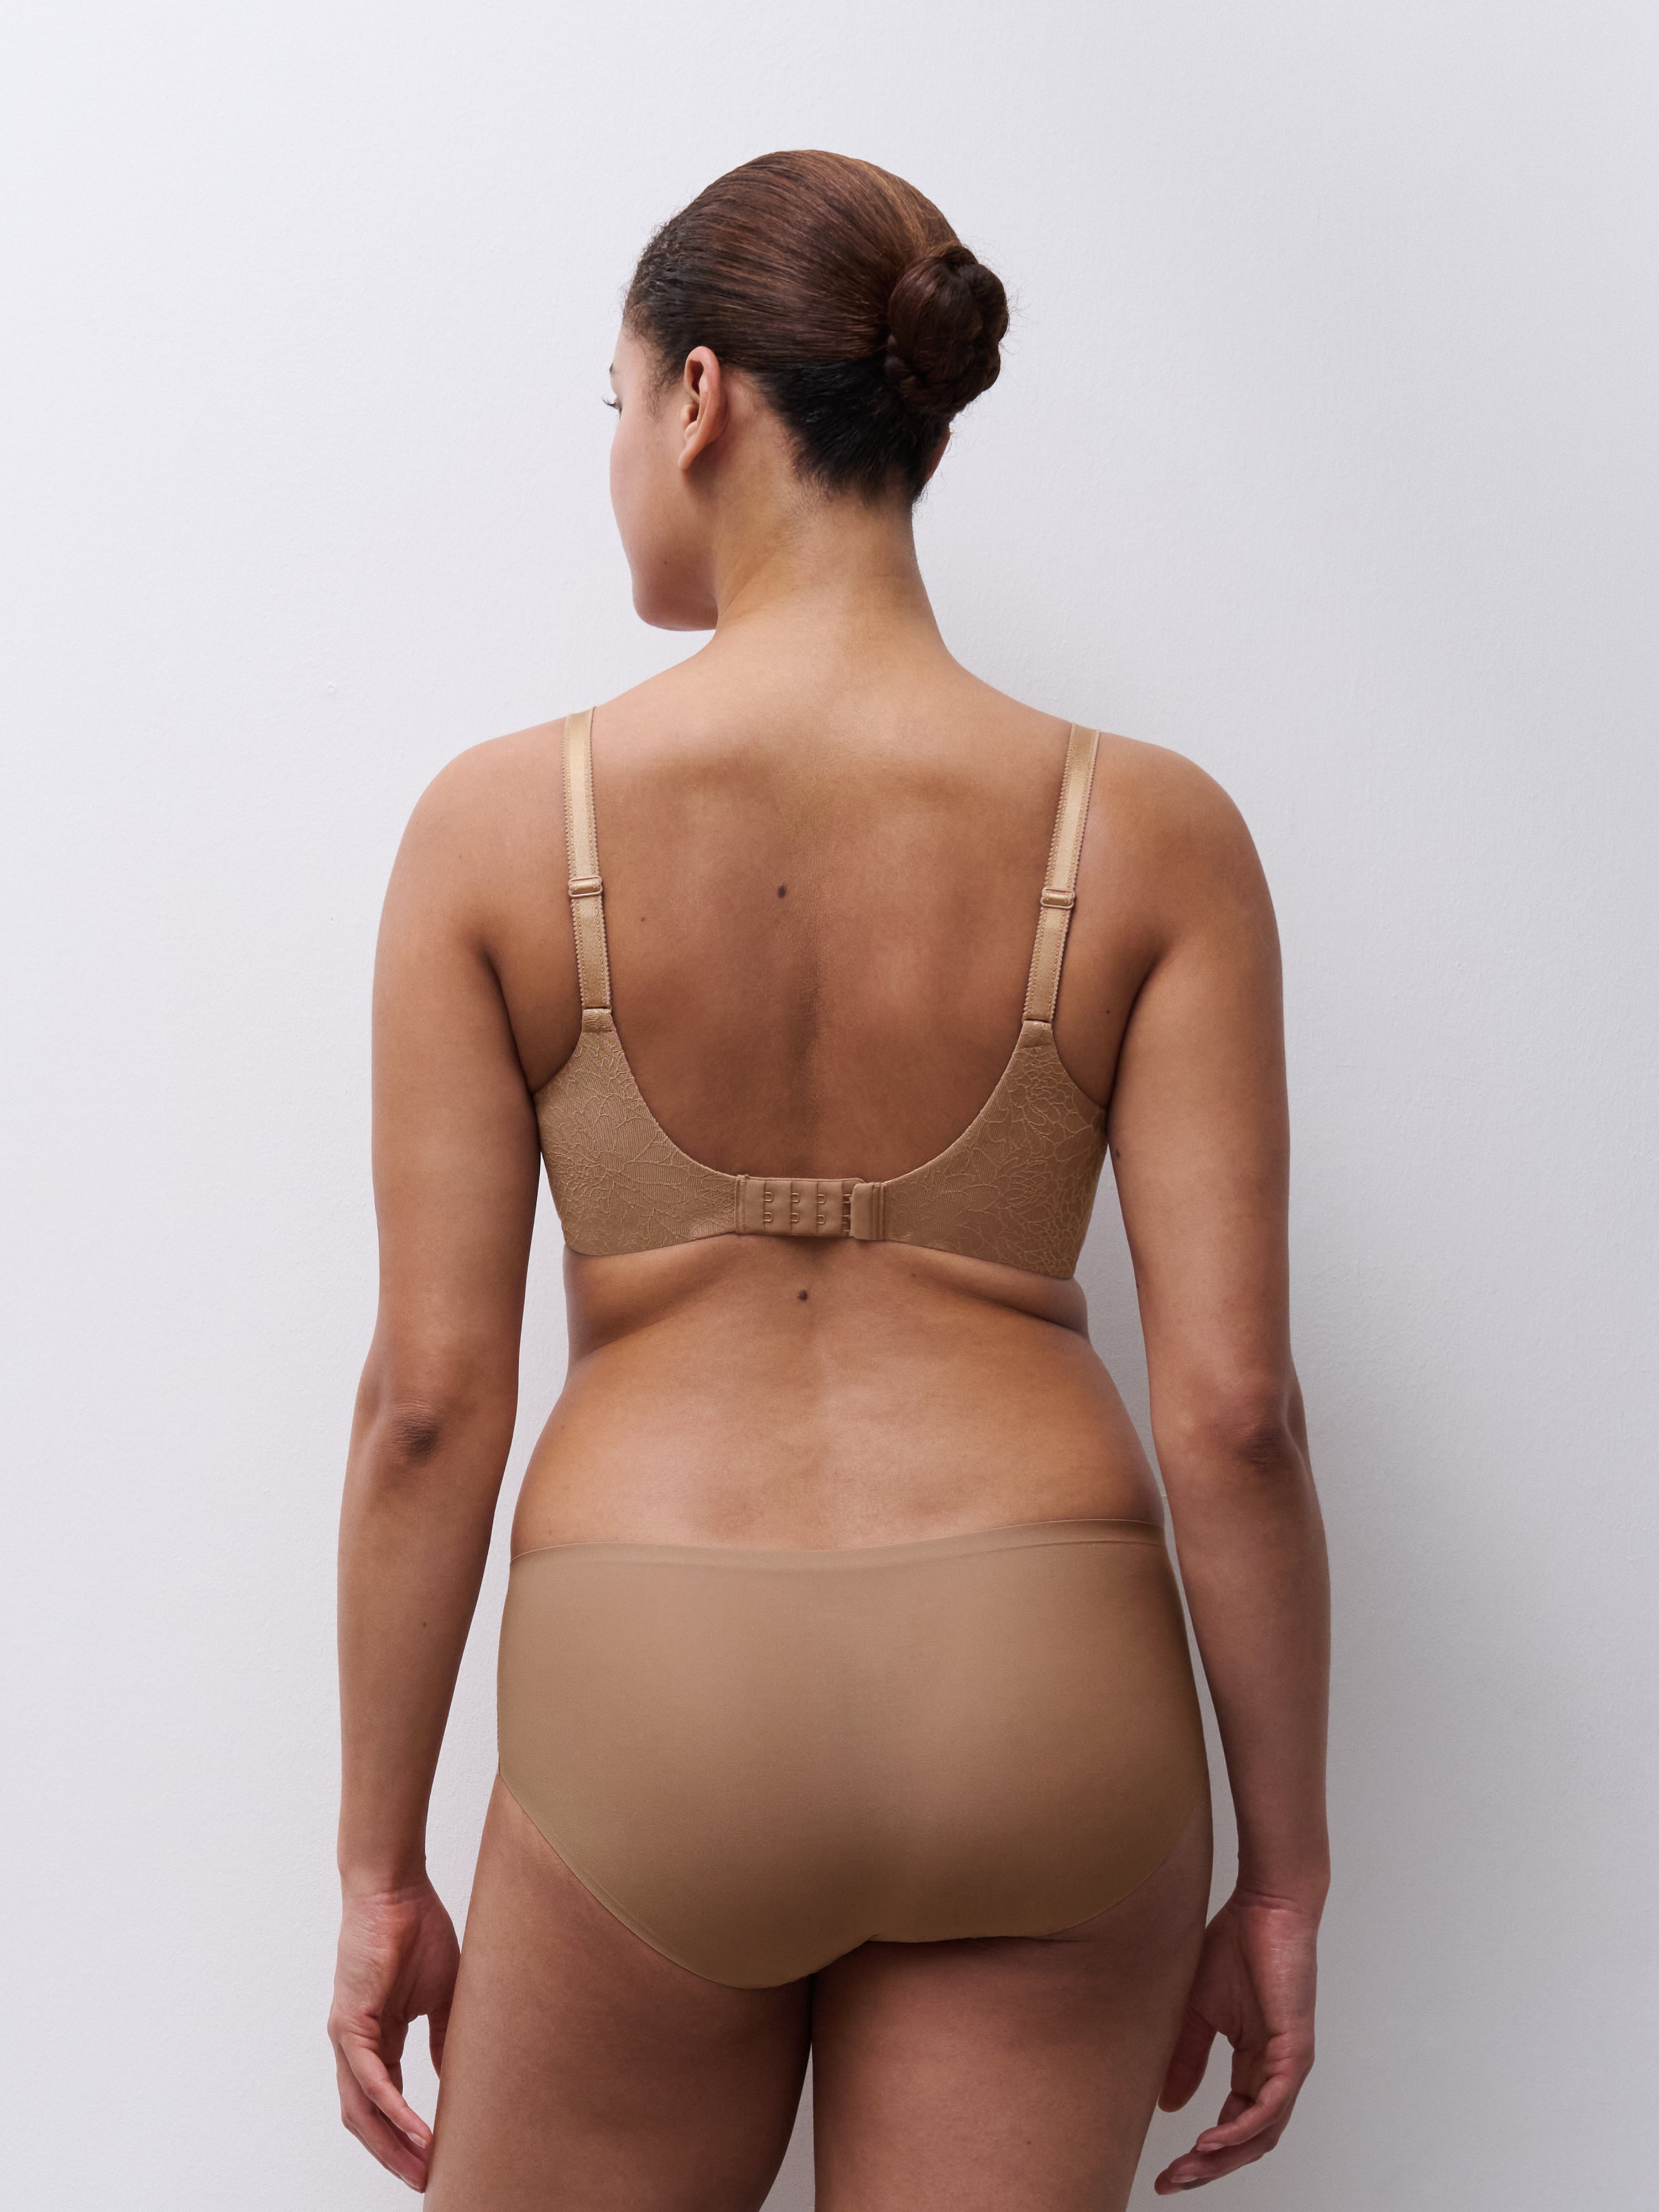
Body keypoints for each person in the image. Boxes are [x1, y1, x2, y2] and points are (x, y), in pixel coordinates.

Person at [328, 149, 1330, 2209]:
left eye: (617, 404)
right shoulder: (1156, 836)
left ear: (700, 398)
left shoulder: (497, 833)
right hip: (1045, 1681)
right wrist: (1287, 1871)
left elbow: (428, 1409)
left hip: (656, 1687)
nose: (619, 455)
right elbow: (1236, 1415)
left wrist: (376, 1867)